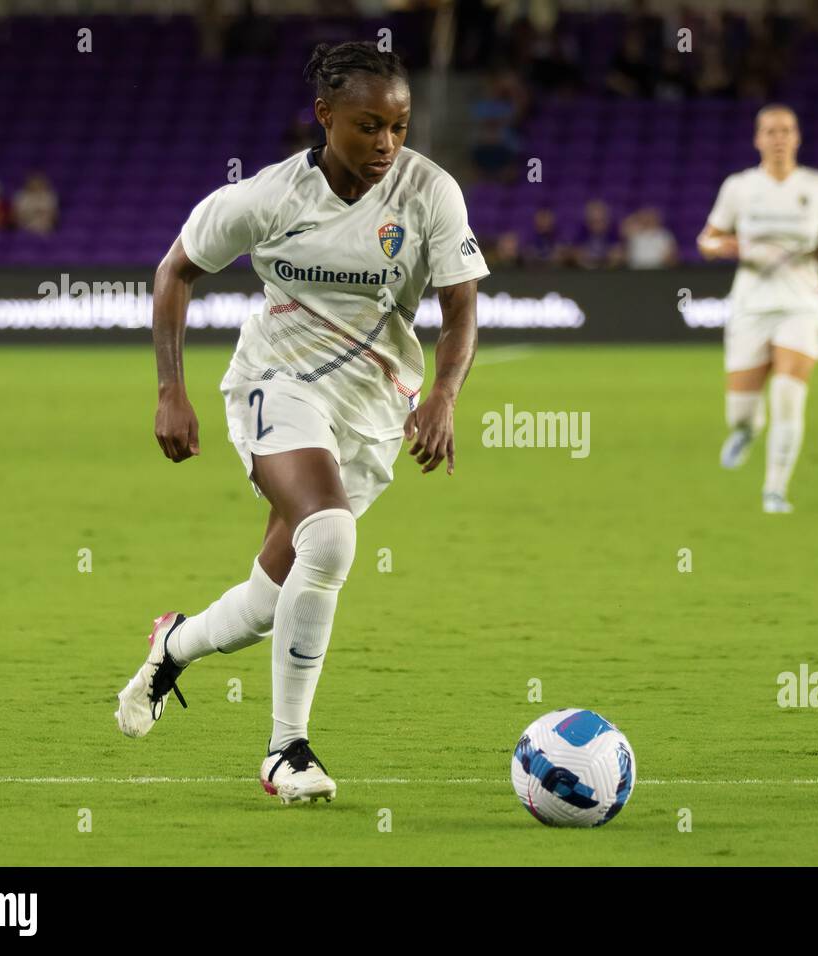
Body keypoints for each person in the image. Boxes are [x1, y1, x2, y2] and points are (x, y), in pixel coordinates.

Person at [114, 41, 489, 805]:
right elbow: (174, 271)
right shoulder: (270, 197)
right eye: (367, 125)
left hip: (375, 407)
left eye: (399, 126)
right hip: (275, 384)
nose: (387, 143)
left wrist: (444, 396)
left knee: (267, 599)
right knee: (331, 535)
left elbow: (460, 307)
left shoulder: (430, 194)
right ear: (326, 117)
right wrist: (169, 391)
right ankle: (287, 752)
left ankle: (173, 646)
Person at [697, 104, 818, 514]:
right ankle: (746, 430)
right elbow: (707, 238)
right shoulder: (739, 187)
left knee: (788, 393)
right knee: (742, 410)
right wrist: (724, 247)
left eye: (786, 130)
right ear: (757, 139)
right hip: (751, 305)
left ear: (797, 137)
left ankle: (775, 489)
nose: (778, 138)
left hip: (801, 304)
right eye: (770, 131)